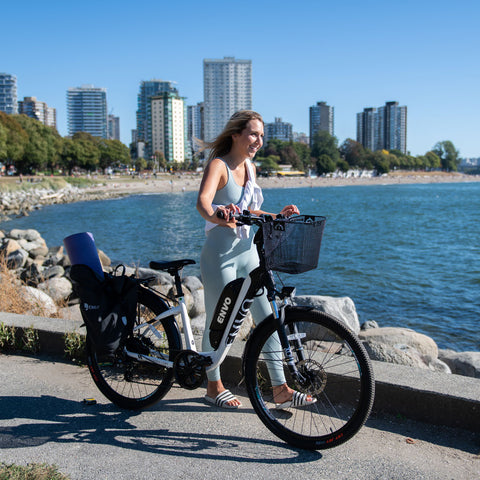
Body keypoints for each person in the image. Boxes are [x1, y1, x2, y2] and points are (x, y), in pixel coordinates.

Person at [196, 110, 316, 409]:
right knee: (219, 323)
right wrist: (219, 216)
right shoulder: (219, 165)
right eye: (253, 134)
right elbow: (203, 203)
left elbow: (249, 210)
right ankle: (213, 386)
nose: (258, 141)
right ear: (236, 134)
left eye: (261, 136)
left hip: (250, 255)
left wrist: (276, 216)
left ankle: (280, 389)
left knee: (269, 319)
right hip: (221, 257)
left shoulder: (250, 168)